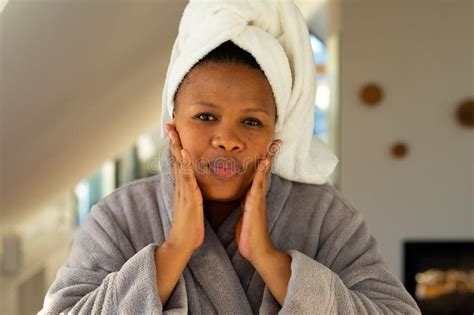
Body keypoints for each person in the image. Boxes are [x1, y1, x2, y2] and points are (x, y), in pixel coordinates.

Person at [40, 1, 421, 314]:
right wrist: (172, 253)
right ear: (173, 123)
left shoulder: (325, 217)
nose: (228, 139)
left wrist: (271, 260)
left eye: (252, 121)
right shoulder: (119, 218)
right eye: (206, 116)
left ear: (277, 132)